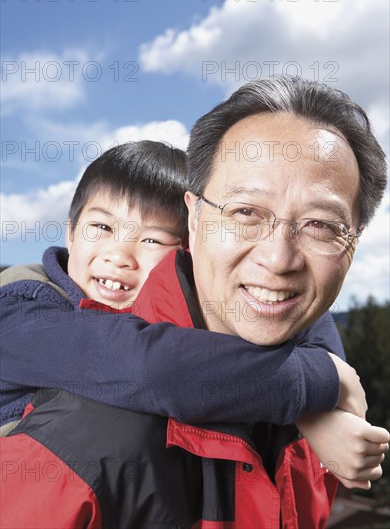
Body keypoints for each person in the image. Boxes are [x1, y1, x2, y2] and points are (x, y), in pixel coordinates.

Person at [1, 78, 389, 528]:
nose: (279, 259)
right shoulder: (26, 312)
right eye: (246, 212)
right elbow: (150, 367)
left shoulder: (293, 403)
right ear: (198, 219)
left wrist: (320, 398)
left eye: (320, 225)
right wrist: (316, 386)